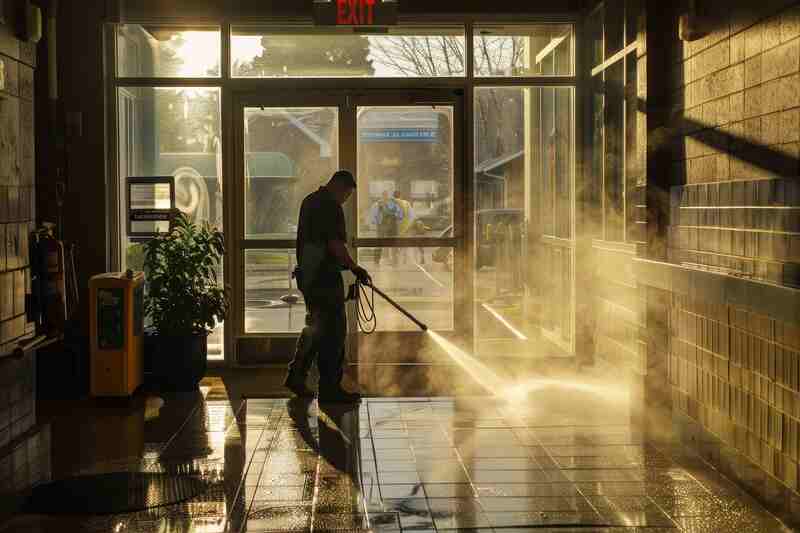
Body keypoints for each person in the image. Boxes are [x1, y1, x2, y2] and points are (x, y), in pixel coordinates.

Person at [284, 170, 371, 403]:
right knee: (333, 332)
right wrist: (354, 267)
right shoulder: (331, 207)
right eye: (347, 195)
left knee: (316, 328)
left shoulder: (310, 201)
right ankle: (330, 388)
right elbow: (334, 243)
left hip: (308, 276)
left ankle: (296, 376)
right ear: (339, 187)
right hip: (323, 278)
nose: (346, 200)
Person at [369, 190, 402, 266]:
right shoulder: (378, 204)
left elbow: (398, 214)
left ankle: (394, 261)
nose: (385, 196)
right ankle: (377, 261)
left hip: (391, 227)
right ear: (382, 196)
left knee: (392, 244)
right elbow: (374, 216)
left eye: (386, 195)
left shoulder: (392, 204)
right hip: (382, 227)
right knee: (379, 244)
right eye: (384, 195)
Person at [393, 191, 413, 264]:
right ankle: (404, 259)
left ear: (393, 196)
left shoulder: (391, 203)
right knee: (405, 243)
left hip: (396, 226)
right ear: (400, 196)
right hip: (405, 226)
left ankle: (395, 259)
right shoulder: (407, 203)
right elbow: (411, 215)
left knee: (394, 243)